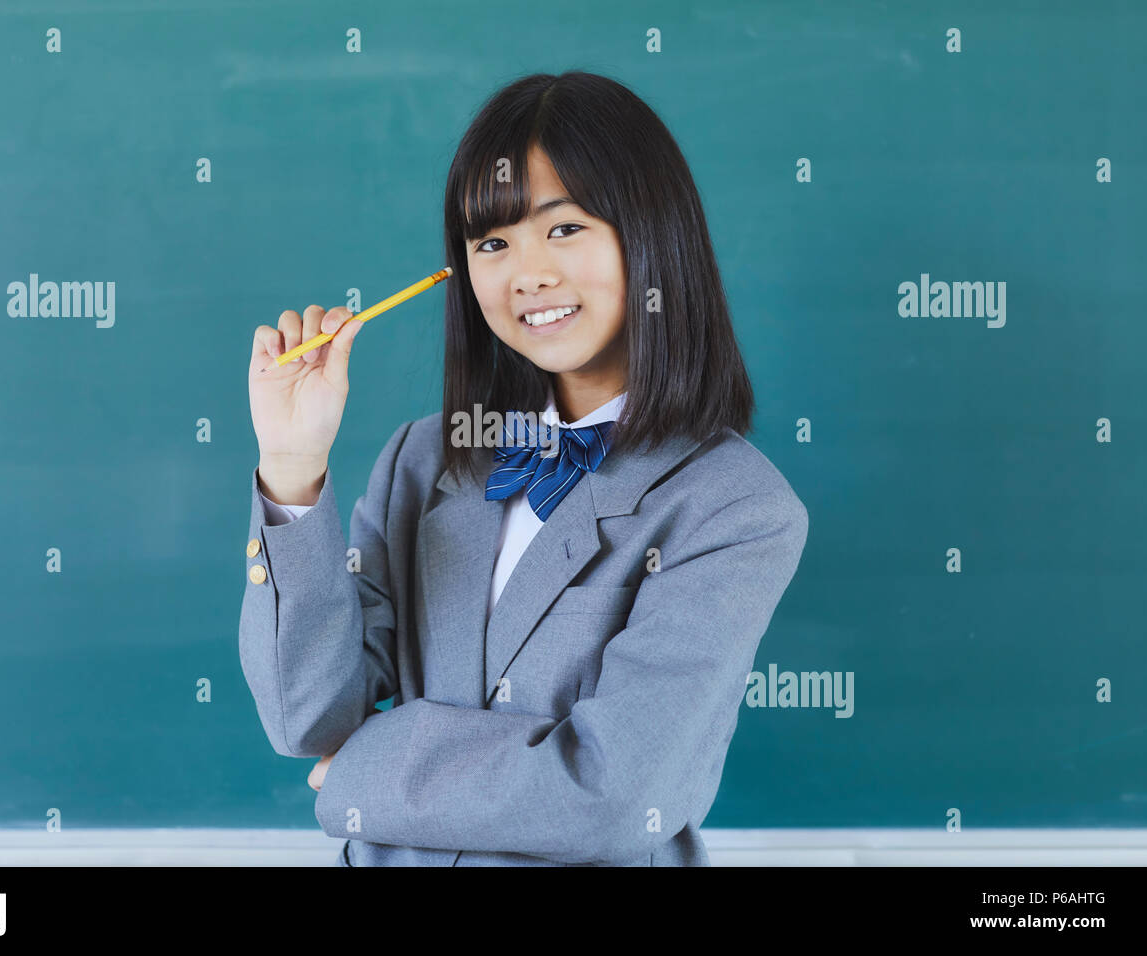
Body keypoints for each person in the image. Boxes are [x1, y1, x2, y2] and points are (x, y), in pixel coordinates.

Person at [241, 71, 808, 866]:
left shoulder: (734, 507)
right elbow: (309, 718)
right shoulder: (423, 459)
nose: (527, 274)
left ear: (651, 233)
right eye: (493, 243)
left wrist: (375, 768)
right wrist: (293, 470)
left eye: (564, 228)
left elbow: (614, 795)